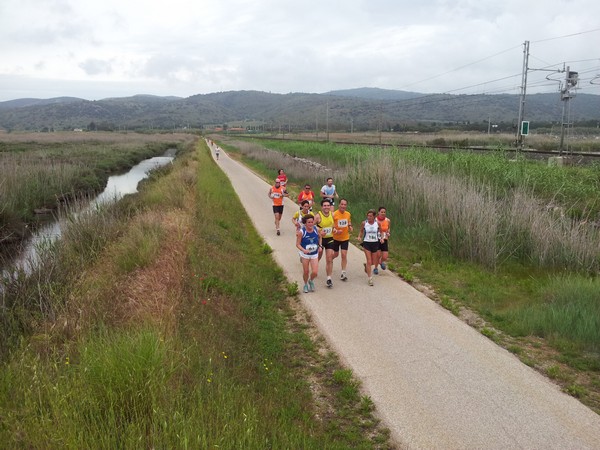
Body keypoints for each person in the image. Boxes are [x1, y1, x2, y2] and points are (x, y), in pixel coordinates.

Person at [358, 209, 384, 286]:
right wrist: (359, 236)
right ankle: (370, 278)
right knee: (369, 261)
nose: (369, 217)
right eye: (368, 216)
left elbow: (381, 232)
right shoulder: (364, 223)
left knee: (374, 261)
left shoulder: (377, 223)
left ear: (374, 217)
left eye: (370, 216)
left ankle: (367, 266)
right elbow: (361, 231)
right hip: (367, 243)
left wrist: (382, 238)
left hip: (375, 243)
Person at [296, 214, 321, 293]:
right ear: (305, 223)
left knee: (315, 272)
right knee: (306, 271)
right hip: (305, 255)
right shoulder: (301, 232)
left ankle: (311, 280)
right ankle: (306, 284)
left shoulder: (316, 229)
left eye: (312, 222)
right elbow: (297, 244)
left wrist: (320, 246)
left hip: (314, 254)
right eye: (308, 222)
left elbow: (320, 237)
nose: (310, 224)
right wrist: (303, 250)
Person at [315, 199, 335, 288]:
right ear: (322, 207)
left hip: (330, 239)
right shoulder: (318, 216)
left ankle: (329, 278)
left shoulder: (333, 214)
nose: (326, 207)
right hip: (320, 240)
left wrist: (334, 229)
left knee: (329, 259)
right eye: (325, 205)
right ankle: (314, 268)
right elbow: (311, 226)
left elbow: (334, 225)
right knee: (318, 256)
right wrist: (319, 231)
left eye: (328, 205)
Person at [332, 198, 353, 281]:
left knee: (344, 255)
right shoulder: (334, 214)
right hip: (335, 238)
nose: (343, 206)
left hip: (345, 238)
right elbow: (332, 226)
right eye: (342, 204)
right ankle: (329, 259)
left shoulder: (348, 214)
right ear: (339, 205)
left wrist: (350, 226)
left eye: (345, 204)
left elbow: (349, 222)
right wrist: (336, 231)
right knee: (336, 254)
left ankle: (343, 273)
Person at [375, 206, 391, 273]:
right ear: (378, 212)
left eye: (384, 212)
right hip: (377, 239)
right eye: (381, 212)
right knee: (378, 255)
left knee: (385, 256)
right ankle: (375, 268)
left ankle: (381, 262)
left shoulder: (387, 220)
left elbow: (388, 228)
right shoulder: (375, 220)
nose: (383, 213)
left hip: (384, 239)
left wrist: (388, 233)